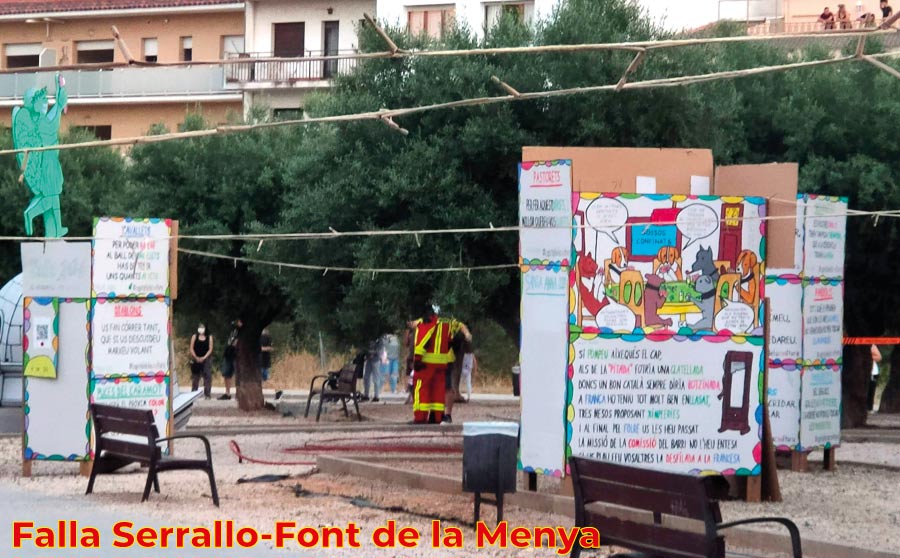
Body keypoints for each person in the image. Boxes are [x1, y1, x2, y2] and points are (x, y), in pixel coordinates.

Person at [411, 303, 471, 424]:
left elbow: (424, 337)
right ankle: (437, 416)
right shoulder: (448, 322)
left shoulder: (427, 322)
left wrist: (417, 358)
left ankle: (420, 417)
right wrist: (467, 334)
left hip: (426, 362)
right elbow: (459, 326)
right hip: (442, 363)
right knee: (438, 389)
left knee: (421, 388)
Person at [219, 319, 242, 400]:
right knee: (226, 373)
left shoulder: (243, 332)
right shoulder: (233, 330)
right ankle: (227, 393)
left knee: (238, 375)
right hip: (229, 352)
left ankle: (239, 393)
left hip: (238, 354)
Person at [189, 323, 213, 399]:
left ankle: (207, 394)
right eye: (200, 327)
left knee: (207, 376)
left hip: (206, 359)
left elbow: (210, 348)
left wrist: (204, 357)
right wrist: (196, 357)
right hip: (196, 358)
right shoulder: (194, 336)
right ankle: (193, 393)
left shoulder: (209, 337)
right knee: (195, 377)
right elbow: (191, 348)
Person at [362, 338, 382, 402]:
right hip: (369, 360)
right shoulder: (368, 337)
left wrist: (371, 353)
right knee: (366, 377)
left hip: (376, 360)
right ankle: (366, 395)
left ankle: (376, 396)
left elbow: (379, 350)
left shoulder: (379, 339)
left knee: (376, 378)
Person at [868, 344, 882, 411]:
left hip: (872, 372)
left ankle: (869, 408)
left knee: (870, 391)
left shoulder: (871, 345)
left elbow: (879, 357)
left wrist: (866, 356)